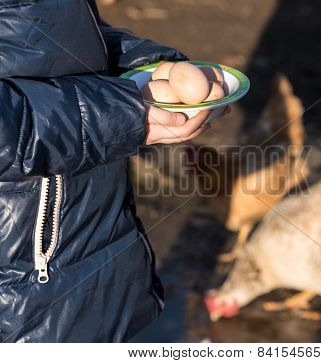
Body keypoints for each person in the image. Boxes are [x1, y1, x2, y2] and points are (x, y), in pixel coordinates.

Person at [0, 0, 217, 342]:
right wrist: (116, 113)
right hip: (21, 276)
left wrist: (147, 65)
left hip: (86, 242)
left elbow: (45, 29)